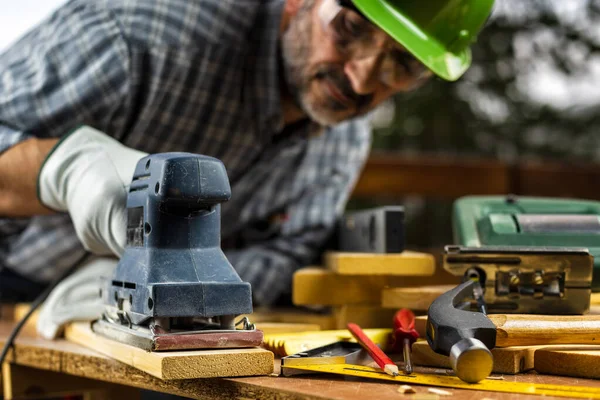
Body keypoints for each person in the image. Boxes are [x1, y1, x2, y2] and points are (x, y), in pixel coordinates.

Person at [0, 0, 494, 338]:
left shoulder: (343, 140)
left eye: (402, 64)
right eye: (351, 28)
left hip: (134, 322)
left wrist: (166, 289)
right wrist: (64, 168)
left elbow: (288, 250)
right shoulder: (137, 38)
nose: (362, 77)